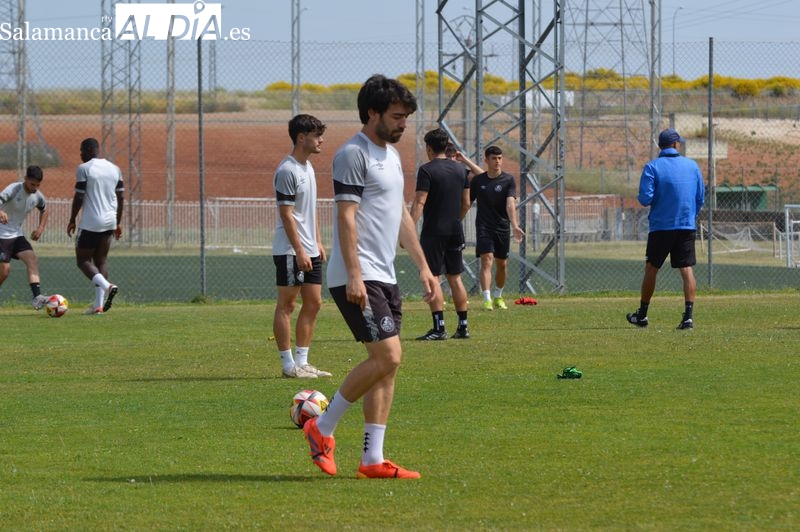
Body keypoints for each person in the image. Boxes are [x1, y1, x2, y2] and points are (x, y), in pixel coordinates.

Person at [302, 74, 437, 480]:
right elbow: (345, 217)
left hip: (385, 273)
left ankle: (372, 459)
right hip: (356, 275)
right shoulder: (351, 154)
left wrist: (423, 266)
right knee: (388, 355)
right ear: (373, 113)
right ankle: (320, 428)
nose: (403, 125)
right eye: (397, 117)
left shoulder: (392, 158)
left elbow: (400, 217)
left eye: (407, 119)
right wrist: (356, 275)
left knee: (387, 366)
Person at [272, 114, 332, 379]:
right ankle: (288, 366)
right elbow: (286, 215)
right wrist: (298, 250)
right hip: (290, 250)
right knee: (287, 305)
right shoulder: (287, 170)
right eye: (317, 135)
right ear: (301, 137)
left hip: (309, 248)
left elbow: (309, 211)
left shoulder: (308, 168)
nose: (322, 140)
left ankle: (303, 362)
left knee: (315, 302)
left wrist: (317, 241)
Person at [627, 128, 705, 330]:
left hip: (661, 227)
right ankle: (688, 317)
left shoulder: (652, 167)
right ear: (676, 144)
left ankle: (642, 315)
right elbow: (700, 198)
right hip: (686, 225)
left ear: (660, 146)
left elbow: (645, 199)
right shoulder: (692, 166)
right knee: (686, 269)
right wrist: (689, 215)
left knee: (652, 268)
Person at [410, 128, 471, 340]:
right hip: (455, 229)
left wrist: (408, 228)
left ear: (428, 148)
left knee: (433, 277)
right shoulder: (461, 170)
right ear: (446, 146)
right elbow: (466, 203)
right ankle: (463, 326)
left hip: (434, 231)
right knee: (455, 278)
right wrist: (456, 220)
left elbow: (419, 201)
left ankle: (439, 328)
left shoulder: (426, 170)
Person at [459, 145, 524, 311]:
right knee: (486, 259)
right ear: (486, 160)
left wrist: (515, 225)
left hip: (502, 227)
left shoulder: (508, 180)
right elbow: (467, 203)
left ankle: (498, 295)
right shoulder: (478, 181)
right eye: (494, 158)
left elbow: (510, 203)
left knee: (502, 264)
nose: (497, 161)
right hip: (483, 227)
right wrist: (456, 219)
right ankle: (487, 298)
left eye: (500, 158)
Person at [67, 137, 123, 315]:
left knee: (83, 260)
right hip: (109, 221)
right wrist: (118, 222)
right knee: (101, 261)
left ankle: (107, 286)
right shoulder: (115, 169)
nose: (81, 155)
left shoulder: (84, 168)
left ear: (90, 150)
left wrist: (72, 219)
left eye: (82, 151)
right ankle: (98, 306)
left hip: (92, 222)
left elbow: (79, 196)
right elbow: (121, 198)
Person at [0, 166, 49, 310]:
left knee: (32, 259)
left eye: (37, 185)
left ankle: (37, 297)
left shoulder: (38, 196)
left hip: (17, 235)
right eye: (32, 184)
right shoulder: (14, 189)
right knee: (4, 270)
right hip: (1, 234)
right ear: (26, 179)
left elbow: (45, 210)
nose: (34, 187)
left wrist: (40, 228)